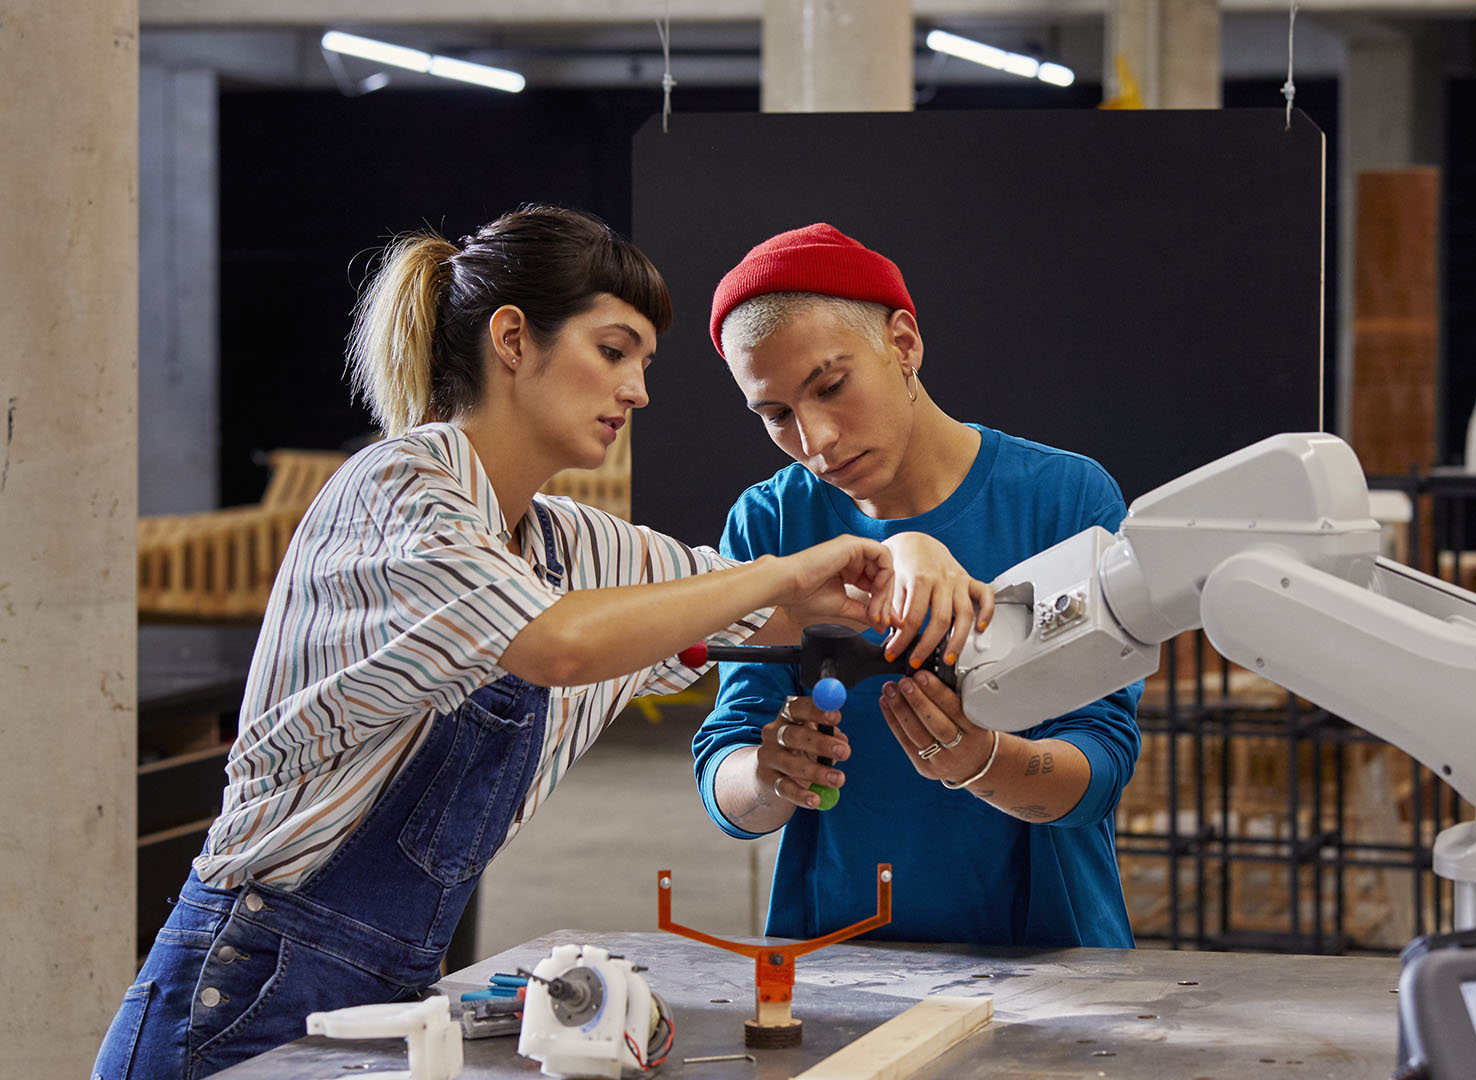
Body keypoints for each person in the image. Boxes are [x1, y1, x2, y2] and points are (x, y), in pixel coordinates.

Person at [94, 207, 985, 1080]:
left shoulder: (568, 543)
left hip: (395, 988)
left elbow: (763, 612)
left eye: (643, 362)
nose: (637, 390)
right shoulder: (400, 489)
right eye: (613, 350)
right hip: (246, 985)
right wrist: (793, 571)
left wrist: (912, 557)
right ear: (513, 339)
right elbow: (556, 645)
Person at [691, 224, 1143, 949]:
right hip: (837, 950)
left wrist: (984, 762)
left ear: (903, 344)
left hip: (1048, 946)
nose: (816, 440)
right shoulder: (772, 518)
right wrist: (772, 776)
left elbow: (1102, 768)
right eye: (775, 415)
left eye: (831, 387)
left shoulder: (1063, 497)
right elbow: (726, 767)